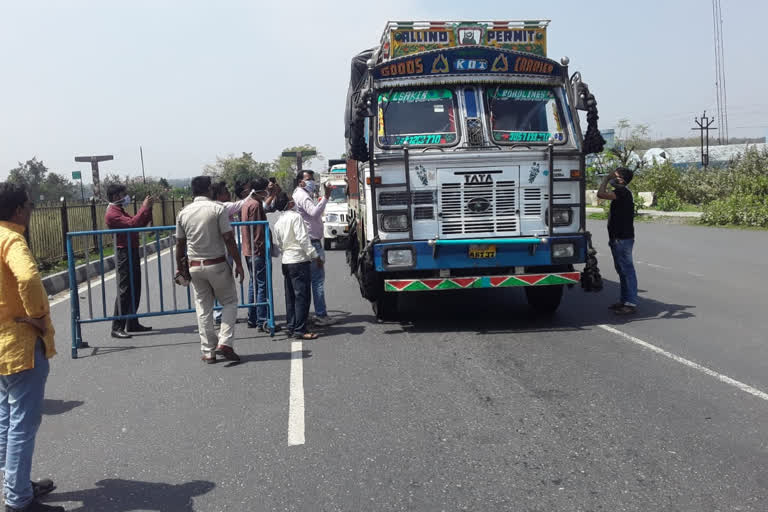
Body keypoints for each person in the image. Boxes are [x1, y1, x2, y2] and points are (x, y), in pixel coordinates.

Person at [0, 182, 65, 512]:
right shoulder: (12, 238)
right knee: (22, 424)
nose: (30, 211)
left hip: (1, 345)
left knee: (6, 419)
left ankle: (15, 483)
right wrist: (36, 316)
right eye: (29, 205)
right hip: (20, 344)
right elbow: (26, 279)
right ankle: (18, 499)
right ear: (18, 211)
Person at [175, 176, 245, 363]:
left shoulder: (183, 212)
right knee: (229, 302)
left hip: (195, 266)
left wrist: (179, 268)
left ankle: (208, 351)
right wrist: (239, 264)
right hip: (217, 264)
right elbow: (229, 239)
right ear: (208, 189)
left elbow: (179, 245)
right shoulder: (217, 209)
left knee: (203, 308)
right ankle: (225, 341)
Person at [104, 184, 154, 340]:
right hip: (124, 252)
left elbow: (138, 222)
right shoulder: (112, 213)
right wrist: (144, 208)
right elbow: (133, 225)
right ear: (114, 197)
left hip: (131, 250)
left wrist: (147, 209)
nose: (126, 196)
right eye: (123, 194)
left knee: (134, 287)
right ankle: (117, 326)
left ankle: (132, 322)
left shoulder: (120, 211)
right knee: (125, 289)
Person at [272, 193, 321, 340]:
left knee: (291, 296)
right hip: (299, 260)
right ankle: (300, 329)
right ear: (290, 204)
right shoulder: (295, 217)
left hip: (287, 261)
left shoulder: (278, 222)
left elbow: (279, 244)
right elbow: (303, 239)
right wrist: (315, 256)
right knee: (302, 296)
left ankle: (292, 326)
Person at [291, 170, 336, 326]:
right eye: (308, 179)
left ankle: (310, 313)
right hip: (312, 242)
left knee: (310, 280)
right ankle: (321, 315)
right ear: (300, 182)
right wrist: (327, 196)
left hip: (310, 241)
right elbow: (315, 212)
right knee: (317, 280)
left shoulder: (301, 194)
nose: (311, 182)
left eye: (312, 179)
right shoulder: (302, 195)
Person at [597, 167, 638, 315]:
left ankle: (630, 302)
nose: (612, 176)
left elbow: (600, 194)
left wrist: (606, 179)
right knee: (622, 271)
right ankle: (624, 300)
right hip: (618, 237)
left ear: (621, 179)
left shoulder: (622, 192)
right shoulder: (623, 192)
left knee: (627, 270)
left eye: (615, 175)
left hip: (622, 238)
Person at [211, 181, 250, 325]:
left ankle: (219, 312)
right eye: (225, 192)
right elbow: (242, 204)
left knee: (218, 283)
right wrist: (254, 192)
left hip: (219, 249)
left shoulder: (216, 207)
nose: (228, 194)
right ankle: (221, 313)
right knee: (223, 282)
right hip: (224, 249)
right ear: (219, 195)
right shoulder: (223, 207)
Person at [240, 178, 273, 331]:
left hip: (247, 250)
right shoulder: (255, 205)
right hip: (256, 251)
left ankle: (252, 318)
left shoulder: (246, 203)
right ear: (261, 190)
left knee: (254, 283)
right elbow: (258, 231)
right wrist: (262, 247)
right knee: (261, 285)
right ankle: (262, 320)